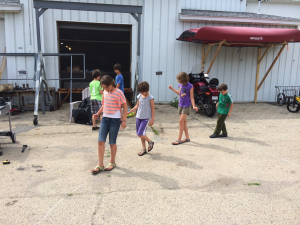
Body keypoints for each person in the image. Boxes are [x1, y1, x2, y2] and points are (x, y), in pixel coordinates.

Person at [91, 75, 128, 174]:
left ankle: (112, 162)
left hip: (115, 120)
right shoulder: (105, 93)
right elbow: (104, 104)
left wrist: (124, 120)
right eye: (104, 88)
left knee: (112, 142)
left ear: (111, 83)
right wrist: (98, 113)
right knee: (100, 141)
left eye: (107, 87)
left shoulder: (118, 92)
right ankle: (100, 164)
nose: (106, 89)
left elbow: (124, 105)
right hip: (105, 119)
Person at [168, 72, 198, 145]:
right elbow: (179, 93)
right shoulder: (180, 84)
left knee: (181, 121)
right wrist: (172, 88)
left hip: (186, 106)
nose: (179, 82)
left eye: (180, 81)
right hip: (180, 105)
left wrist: (193, 106)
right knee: (184, 122)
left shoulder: (190, 86)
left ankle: (179, 139)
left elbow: (192, 97)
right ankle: (187, 137)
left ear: (184, 80)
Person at [127, 81, 155, 156]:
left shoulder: (150, 98)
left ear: (147, 90)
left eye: (143, 91)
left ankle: (150, 142)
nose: (142, 93)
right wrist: (129, 112)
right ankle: (144, 149)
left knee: (140, 133)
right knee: (142, 134)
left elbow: (152, 109)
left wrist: (152, 119)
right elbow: (137, 106)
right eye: (140, 91)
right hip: (138, 117)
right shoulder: (139, 96)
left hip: (145, 118)